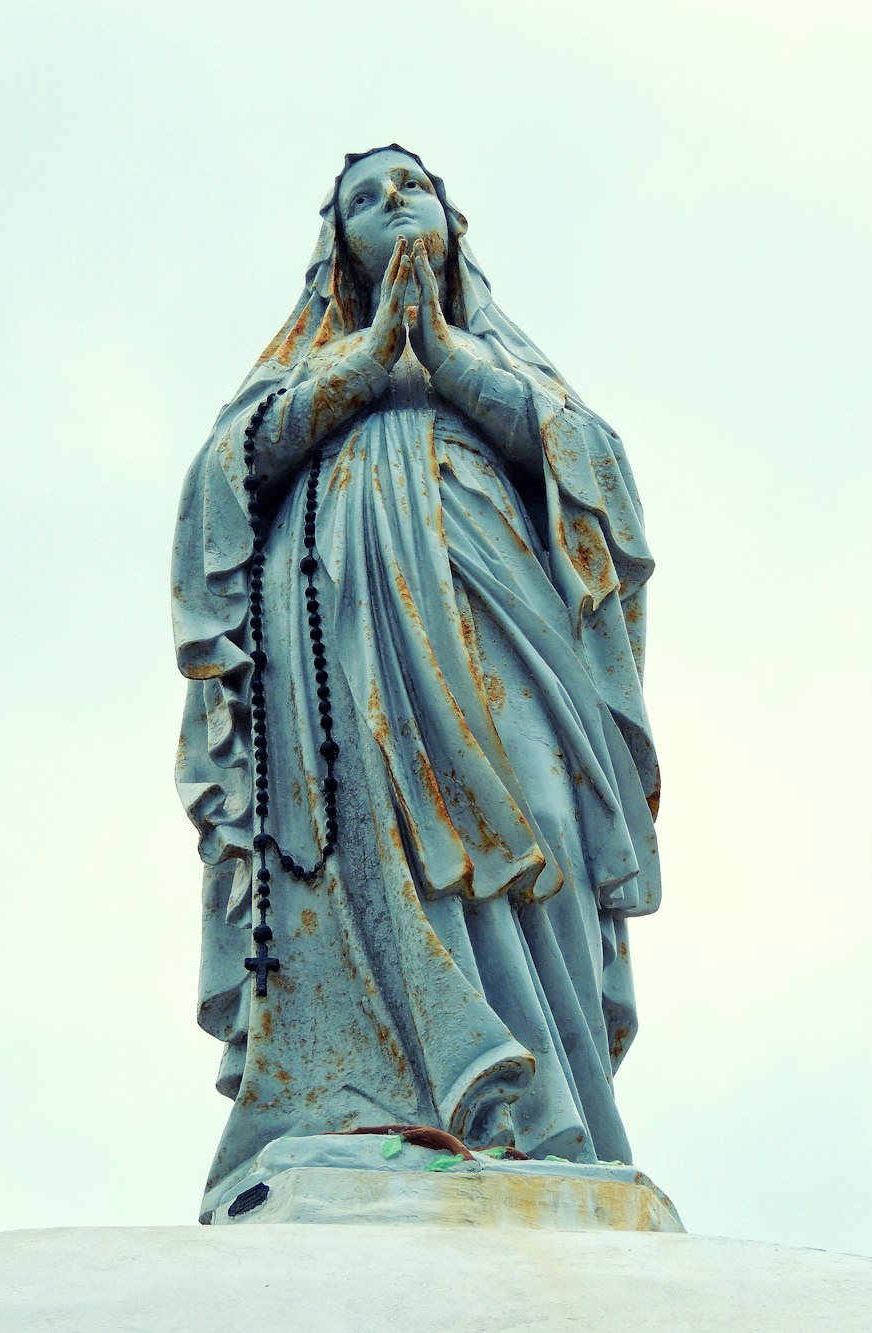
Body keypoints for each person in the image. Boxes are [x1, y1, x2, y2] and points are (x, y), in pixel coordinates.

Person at [172, 146, 661, 1222]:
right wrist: (365, 365)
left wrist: (437, 351)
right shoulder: (304, 368)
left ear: (452, 221)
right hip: (340, 641)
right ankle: (362, 1104)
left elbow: (596, 482)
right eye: (365, 196)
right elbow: (223, 479)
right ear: (335, 246)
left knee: (539, 821)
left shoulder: (505, 365)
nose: (394, 204)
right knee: (358, 838)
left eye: (413, 187)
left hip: (500, 620)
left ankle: (540, 1114)